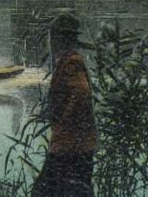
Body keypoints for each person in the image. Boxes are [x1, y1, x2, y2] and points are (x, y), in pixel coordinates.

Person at [32, 12, 96, 197]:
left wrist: (63, 125)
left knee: (43, 191)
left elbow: (82, 93)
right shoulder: (70, 61)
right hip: (78, 145)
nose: (50, 42)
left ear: (60, 38)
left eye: (53, 37)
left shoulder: (71, 64)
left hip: (68, 146)